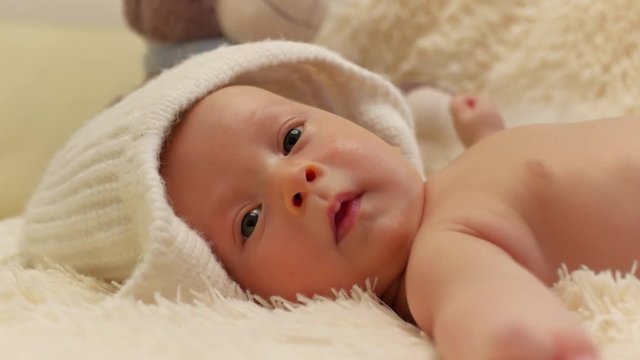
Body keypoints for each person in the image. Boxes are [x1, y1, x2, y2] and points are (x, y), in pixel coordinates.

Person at [24, 41, 638, 359]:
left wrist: (487, 137)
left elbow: (531, 200)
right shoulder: (439, 255)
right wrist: (509, 334)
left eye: (291, 138)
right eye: (250, 219)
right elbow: (479, 296)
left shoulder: (445, 192)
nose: (298, 181)